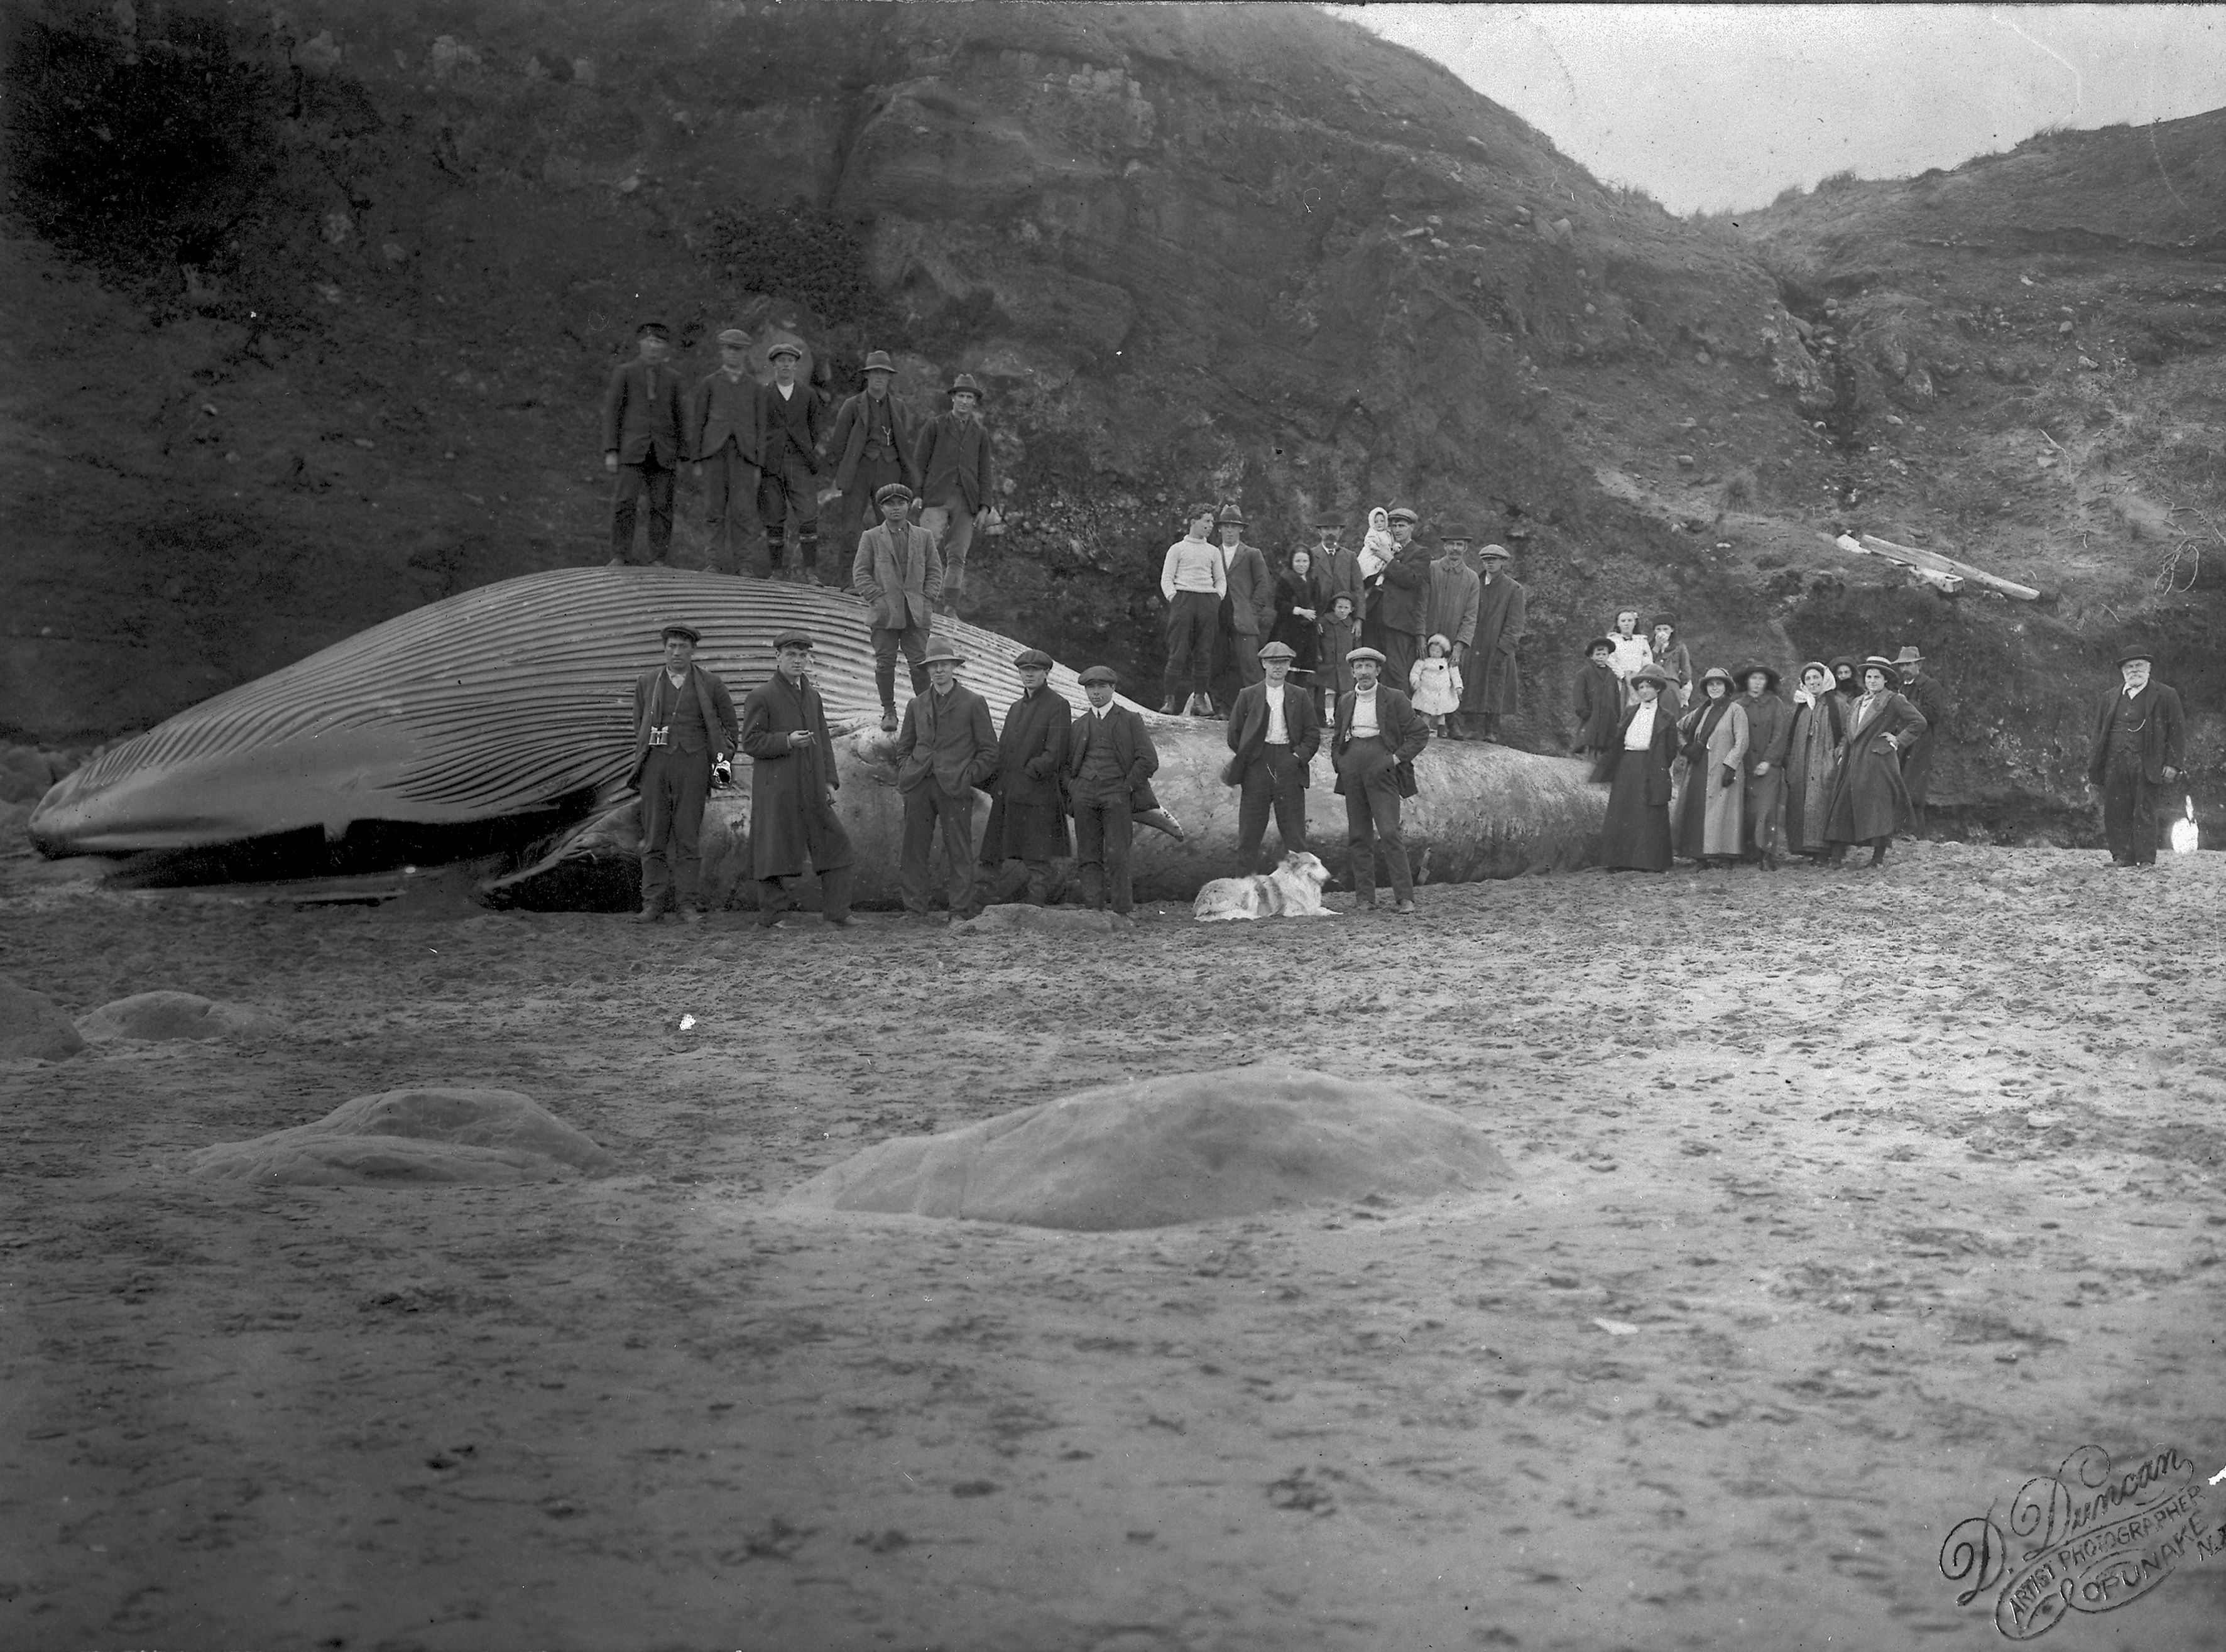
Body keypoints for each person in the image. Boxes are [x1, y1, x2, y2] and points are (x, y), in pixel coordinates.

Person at [738, 629, 854, 927]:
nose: (798, 661)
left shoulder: (812, 696)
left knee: (836, 845)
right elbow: (751, 742)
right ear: (778, 657)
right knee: (773, 851)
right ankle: (773, 916)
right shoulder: (761, 696)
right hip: (778, 788)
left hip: (812, 786)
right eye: (791, 655)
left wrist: (829, 780)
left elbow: (824, 741)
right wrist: (786, 740)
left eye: (803, 655)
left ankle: (838, 913)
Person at [626, 622, 739, 923]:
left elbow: (729, 728)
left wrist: (719, 763)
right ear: (664, 649)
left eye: (683, 647)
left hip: (694, 764)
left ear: (693, 651)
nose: (677, 653)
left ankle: (686, 905)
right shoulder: (648, 682)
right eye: (671, 647)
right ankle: (652, 905)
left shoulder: (711, 683)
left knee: (688, 837)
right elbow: (640, 726)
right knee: (653, 838)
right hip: (655, 765)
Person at [893, 639, 998, 923]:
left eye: (944, 665)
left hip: (955, 786)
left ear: (954, 667)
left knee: (960, 851)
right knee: (913, 850)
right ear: (927, 670)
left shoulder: (974, 702)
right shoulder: (916, 704)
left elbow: (989, 751)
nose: (939, 670)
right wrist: (907, 770)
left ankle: (959, 912)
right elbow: (905, 747)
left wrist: (968, 777)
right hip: (919, 783)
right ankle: (915, 911)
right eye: (933, 666)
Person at [1332, 646, 1428, 913]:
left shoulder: (1394, 698)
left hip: (1382, 764)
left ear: (1378, 671)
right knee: (1358, 835)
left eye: (1369, 667)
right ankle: (1365, 898)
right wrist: (1339, 762)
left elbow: (1419, 733)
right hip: (1353, 765)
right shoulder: (1345, 700)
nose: (1364, 672)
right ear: (1352, 671)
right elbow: (1337, 737)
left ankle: (1405, 897)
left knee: (1389, 831)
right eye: (1359, 667)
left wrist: (1394, 760)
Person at [978, 648, 1071, 907]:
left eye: (1035, 671)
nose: (1029, 675)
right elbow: (1004, 748)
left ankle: (1035, 905)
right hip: (1008, 790)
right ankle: (982, 903)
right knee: (993, 852)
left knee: (1037, 855)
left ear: (1046, 673)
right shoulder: (1015, 707)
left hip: (1038, 792)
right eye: (1024, 671)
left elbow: (1056, 752)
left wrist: (1031, 771)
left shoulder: (1058, 704)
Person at [1066, 665, 1159, 916]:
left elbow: (1149, 760)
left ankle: (1122, 911)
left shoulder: (1130, 720)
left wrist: (1126, 786)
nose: (1095, 693)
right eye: (1090, 688)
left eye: (1101, 687)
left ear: (1113, 689)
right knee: (1087, 854)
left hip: (1117, 794)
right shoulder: (1079, 724)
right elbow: (1065, 765)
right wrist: (1074, 788)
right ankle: (1093, 911)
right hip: (1084, 795)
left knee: (1118, 854)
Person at [850, 481, 942, 733]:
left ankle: (926, 711)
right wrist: (876, 597)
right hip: (885, 613)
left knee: (920, 664)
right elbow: (860, 572)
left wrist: (928, 598)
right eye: (890, 504)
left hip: (916, 612)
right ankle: (889, 711)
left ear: (909, 506)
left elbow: (935, 570)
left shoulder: (924, 537)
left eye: (901, 503)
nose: (896, 508)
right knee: (885, 663)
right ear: (881, 508)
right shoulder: (871, 537)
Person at [1821, 656, 1928, 869]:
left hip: (1878, 763)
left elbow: (1919, 722)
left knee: (1878, 810)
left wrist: (1897, 740)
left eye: (1877, 677)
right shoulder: (1858, 701)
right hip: (1853, 762)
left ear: (1885, 680)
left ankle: (1877, 858)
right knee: (1843, 805)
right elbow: (1848, 732)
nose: (1872, 681)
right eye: (1869, 677)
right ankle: (1836, 857)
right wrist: (1843, 751)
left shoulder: (1894, 700)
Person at [1224, 639, 1321, 872]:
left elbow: (1312, 734)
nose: (1278, 667)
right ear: (1264, 664)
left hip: (1289, 763)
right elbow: (1234, 734)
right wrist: (1252, 754)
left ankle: (1301, 895)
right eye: (1273, 662)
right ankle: (1244, 894)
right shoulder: (1248, 695)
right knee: (1249, 834)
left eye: (1283, 662)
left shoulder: (1300, 695)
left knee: (1295, 835)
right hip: (1258, 766)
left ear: (1289, 666)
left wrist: (1297, 757)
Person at [2085, 648, 2186, 869]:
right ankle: (2122, 857)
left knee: (2145, 810)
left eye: (2139, 666)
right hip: (2115, 762)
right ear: (2123, 671)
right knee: (2116, 810)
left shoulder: (2166, 695)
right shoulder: (2110, 697)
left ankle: (2146, 860)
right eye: (2129, 667)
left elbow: (2177, 732)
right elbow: (2099, 733)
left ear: (2149, 668)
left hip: (2148, 762)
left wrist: (2173, 764)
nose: (2135, 670)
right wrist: (2096, 765)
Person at [601, 321, 687, 567]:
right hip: (632, 450)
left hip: (663, 452)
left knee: (662, 505)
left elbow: (680, 418)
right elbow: (612, 414)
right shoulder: (625, 373)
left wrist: (682, 454)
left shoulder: (674, 379)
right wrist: (611, 450)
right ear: (641, 344)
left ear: (665, 348)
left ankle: (658, 558)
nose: (653, 347)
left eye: (658, 343)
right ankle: (619, 555)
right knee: (625, 502)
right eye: (649, 341)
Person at [826, 349, 920, 565]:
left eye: (884, 373)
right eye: (875, 372)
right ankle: (849, 581)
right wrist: (843, 472)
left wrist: (908, 478)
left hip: (889, 470)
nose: (879, 377)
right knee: (851, 527)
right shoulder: (852, 405)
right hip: (859, 470)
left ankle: (891, 580)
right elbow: (838, 444)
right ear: (867, 376)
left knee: (892, 526)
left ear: (889, 377)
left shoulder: (899, 407)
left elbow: (905, 444)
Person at [913, 372, 996, 614]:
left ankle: (950, 607)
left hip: (966, 501)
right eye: (960, 396)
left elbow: (985, 473)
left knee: (958, 554)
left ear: (974, 402)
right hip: (936, 496)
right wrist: (917, 494)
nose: (964, 401)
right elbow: (919, 462)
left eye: (969, 397)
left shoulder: (980, 434)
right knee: (925, 547)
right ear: (952, 398)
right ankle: (920, 600)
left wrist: (984, 507)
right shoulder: (936, 425)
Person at [690, 327, 764, 575]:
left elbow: (761, 427)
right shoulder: (710, 383)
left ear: (746, 354)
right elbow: (698, 421)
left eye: (739, 350)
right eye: (729, 348)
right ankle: (714, 563)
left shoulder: (754, 388)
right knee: (713, 509)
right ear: (721, 351)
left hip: (744, 455)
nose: (733, 354)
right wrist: (697, 459)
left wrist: (758, 464)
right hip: (714, 453)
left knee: (743, 511)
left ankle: (744, 564)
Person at [756, 340, 831, 583]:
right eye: (781, 361)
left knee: (808, 515)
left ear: (796, 366)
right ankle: (776, 571)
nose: (785, 365)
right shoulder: (764, 393)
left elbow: (814, 429)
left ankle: (811, 572)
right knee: (774, 516)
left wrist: (808, 452)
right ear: (774, 365)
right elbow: (758, 428)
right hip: (772, 463)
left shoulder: (808, 395)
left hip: (799, 461)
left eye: (790, 361)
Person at [1593, 664, 1679, 872]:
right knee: (1623, 809)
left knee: (1649, 812)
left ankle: (1649, 862)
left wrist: (1657, 765)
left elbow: (1670, 750)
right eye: (1640, 687)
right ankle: (1618, 861)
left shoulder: (1667, 717)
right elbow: (1619, 739)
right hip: (1628, 764)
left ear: (1658, 689)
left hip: (1652, 764)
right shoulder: (1630, 712)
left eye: (1649, 686)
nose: (1644, 691)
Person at [1672, 667, 1749, 869]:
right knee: (1699, 810)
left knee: (1725, 811)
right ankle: (1701, 856)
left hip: (1724, 768)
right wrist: (1686, 748)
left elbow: (1742, 742)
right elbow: (1678, 728)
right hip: (1700, 766)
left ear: (1727, 687)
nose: (1715, 688)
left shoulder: (1736, 711)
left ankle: (1726, 855)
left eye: (1719, 684)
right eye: (1711, 684)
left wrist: (1731, 765)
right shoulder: (1700, 711)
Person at [1454, 541, 1525, 741]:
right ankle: (1468, 727)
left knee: (1495, 686)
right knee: (1469, 683)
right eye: (1486, 560)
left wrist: (1504, 647)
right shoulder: (1474, 582)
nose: (1489, 564)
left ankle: (1491, 730)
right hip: (1474, 643)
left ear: (1502, 562)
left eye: (1494, 560)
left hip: (1497, 646)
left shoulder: (1513, 589)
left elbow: (1515, 622)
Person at [1159, 504, 1225, 715]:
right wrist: (1174, 598)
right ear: (1193, 522)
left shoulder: (1213, 551)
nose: (1210, 526)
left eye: (1212, 522)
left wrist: (1217, 597)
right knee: (1177, 652)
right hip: (1183, 600)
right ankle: (1169, 701)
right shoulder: (1177, 549)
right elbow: (1167, 577)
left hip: (1207, 601)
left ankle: (1199, 700)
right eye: (1206, 521)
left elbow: (1221, 579)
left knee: (1204, 653)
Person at [1211, 504, 1274, 716]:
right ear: (1219, 529)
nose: (1229, 530)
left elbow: (1263, 584)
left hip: (1243, 618)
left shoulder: (1252, 554)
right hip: (1218, 617)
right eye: (1225, 526)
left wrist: (1252, 610)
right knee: (1218, 664)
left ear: (1241, 530)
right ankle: (1222, 709)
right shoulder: (1212, 553)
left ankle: (1260, 710)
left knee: (1250, 666)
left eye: (1234, 526)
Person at [1784, 661, 1846, 861]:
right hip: (1802, 762)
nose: (1812, 682)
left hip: (1825, 761)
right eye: (1808, 679)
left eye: (1816, 677)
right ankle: (1807, 849)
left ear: (1825, 679)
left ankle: (1824, 851)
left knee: (1822, 804)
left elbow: (1847, 733)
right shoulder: (1802, 706)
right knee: (1802, 804)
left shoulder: (1838, 704)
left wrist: (1838, 754)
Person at [1735, 663, 1793, 871]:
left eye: (1761, 679)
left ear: (1767, 683)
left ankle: (1767, 853)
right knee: (1748, 810)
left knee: (1766, 810)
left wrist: (1768, 760)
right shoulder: (1739, 705)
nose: (1757, 683)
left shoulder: (1776, 704)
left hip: (1769, 767)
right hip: (1745, 765)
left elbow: (1780, 735)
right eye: (1753, 678)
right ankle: (1749, 851)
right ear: (1747, 681)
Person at [1889, 644, 1951, 839]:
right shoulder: (1900, 687)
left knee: (1913, 785)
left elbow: (1935, 713)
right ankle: (1907, 831)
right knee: (1899, 783)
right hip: (1902, 741)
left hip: (1921, 743)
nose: (1904, 669)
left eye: (1908, 665)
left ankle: (1915, 833)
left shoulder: (1930, 686)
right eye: (1902, 666)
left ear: (1919, 665)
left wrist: (1908, 706)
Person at [1424, 531, 1482, 736]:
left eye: (1459, 544)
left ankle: (1453, 723)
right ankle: (1423, 723)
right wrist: (1422, 635)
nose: (1455, 548)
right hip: (1431, 634)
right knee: (1426, 677)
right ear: (1444, 546)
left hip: (1455, 636)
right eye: (1451, 544)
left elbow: (1470, 615)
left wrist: (1460, 645)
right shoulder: (1432, 569)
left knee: (1453, 679)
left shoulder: (1472, 578)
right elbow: (1422, 602)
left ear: (1466, 548)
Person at [1368, 507, 1432, 691]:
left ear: (1411, 528)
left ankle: (1402, 717)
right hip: (1375, 619)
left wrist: (1389, 560)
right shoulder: (1384, 546)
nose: (1397, 530)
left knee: (1397, 674)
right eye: (1394, 525)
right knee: (1375, 673)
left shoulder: (1420, 553)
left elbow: (1410, 579)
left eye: (1402, 525)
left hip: (1399, 623)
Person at [1270, 546, 1324, 678]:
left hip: (1309, 631)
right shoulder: (1285, 579)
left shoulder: (1313, 581)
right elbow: (1279, 603)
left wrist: (1316, 620)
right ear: (1291, 562)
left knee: (1304, 673)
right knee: (1287, 671)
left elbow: (1317, 604)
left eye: (1305, 561)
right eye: (1298, 561)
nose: (1301, 565)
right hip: (1289, 629)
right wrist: (1300, 611)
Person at [1571, 637, 1623, 757]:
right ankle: (1589, 761)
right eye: (1598, 654)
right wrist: (1583, 710)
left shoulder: (1611, 675)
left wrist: (1617, 714)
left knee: (1606, 744)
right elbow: (1578, 693)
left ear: (1608, 655)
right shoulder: (1585, 673)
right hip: (1592, 715)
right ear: (1591, 656)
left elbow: (1616, 696)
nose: (1601, 657)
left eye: (1604, 654)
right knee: (1591, 741)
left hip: (1609, 717)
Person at [1319, 592, 1360, 720]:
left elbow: (1356, 645)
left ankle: (1344, 718)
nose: (1343, 611)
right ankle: (1329, 718)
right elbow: (1316, 640)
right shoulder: (1325, 621)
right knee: (1329, 693)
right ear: (1333, 607)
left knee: (1346, 694)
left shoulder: (1351, 625)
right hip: (1329, 664)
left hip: (1345, 666)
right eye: (1340, 607)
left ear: (1352, 610)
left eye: (1346, 608)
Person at [1312, 516, 1363, 618]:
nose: (1330, 533)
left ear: (1341, 532)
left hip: (1344, 617)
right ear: (1319, 532)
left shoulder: (1350, 557)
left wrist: (1359, 619)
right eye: (1326, 529)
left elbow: (1358, 590)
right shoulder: (1310, 556)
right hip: (1319, 617)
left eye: (1335, 529)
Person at [1409, 635, 1462, 732]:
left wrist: (1458, 686)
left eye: (1438, 652)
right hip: (1426, 691)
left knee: (1442, 713)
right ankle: (1424, 729)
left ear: (1443, 652)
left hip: (1442, 693)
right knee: (1426, 712)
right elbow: (1415, 672)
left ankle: (1442, 730)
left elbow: (1455, 674)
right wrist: (1415, 681)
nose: (1434, 653)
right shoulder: (1423, 661)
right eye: (1432, 650)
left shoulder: (1446, 662)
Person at [1647, 616, 1693, 713]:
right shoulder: (1648, 646)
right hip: (1651, 685)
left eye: (1665, 629)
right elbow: (1647, 664)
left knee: (1669, 715)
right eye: (1658, 629)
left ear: (1672, 630)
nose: (1662, 632)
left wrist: (1676, 683)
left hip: (1671, 686)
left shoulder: (1679, 647)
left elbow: (1686, 672)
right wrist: (1657, 647)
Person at [1605, 610, 1652, 697]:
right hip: (1620, 680)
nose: (1627, 624)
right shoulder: (1612, 641)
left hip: (1639, 679)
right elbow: (1610, 661)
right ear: (1618, 623)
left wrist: (1641, 676)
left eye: (1630, 621)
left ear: (1635, 623)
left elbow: (1648, 660)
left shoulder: (1642, 641)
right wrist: (1623, 676)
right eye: (1623, 621)